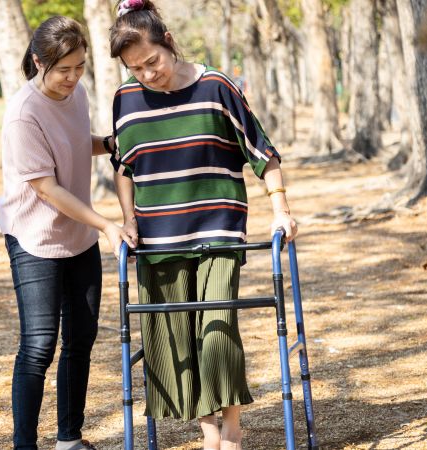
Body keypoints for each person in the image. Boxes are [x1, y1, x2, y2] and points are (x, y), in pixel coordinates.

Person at [107, 1, 298, 449]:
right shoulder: (125, 99)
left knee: (216, 331)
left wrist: (280, 209)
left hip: (217, 230)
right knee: (173, 340)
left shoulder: (216, 86)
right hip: (157, 240)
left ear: (168, 42)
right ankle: (208, 432)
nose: (148, 75)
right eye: (136, 69)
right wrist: (128, 220)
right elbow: (123, 167)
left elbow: (262, 152)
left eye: (152, 62)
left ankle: (230, 431)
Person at [0, 15, 134, 450]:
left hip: (79, 236)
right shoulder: (24, 114)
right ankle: (25, 445)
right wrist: (107, 224)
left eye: (79, 67)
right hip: (35, 239)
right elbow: (47, 189)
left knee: (81, 339)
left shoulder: (76, 95)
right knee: (39, 346)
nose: (73, 78)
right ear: (39, 62)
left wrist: (110, 143)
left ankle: (69, 440)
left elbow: (76, 141)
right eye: (63, 70)